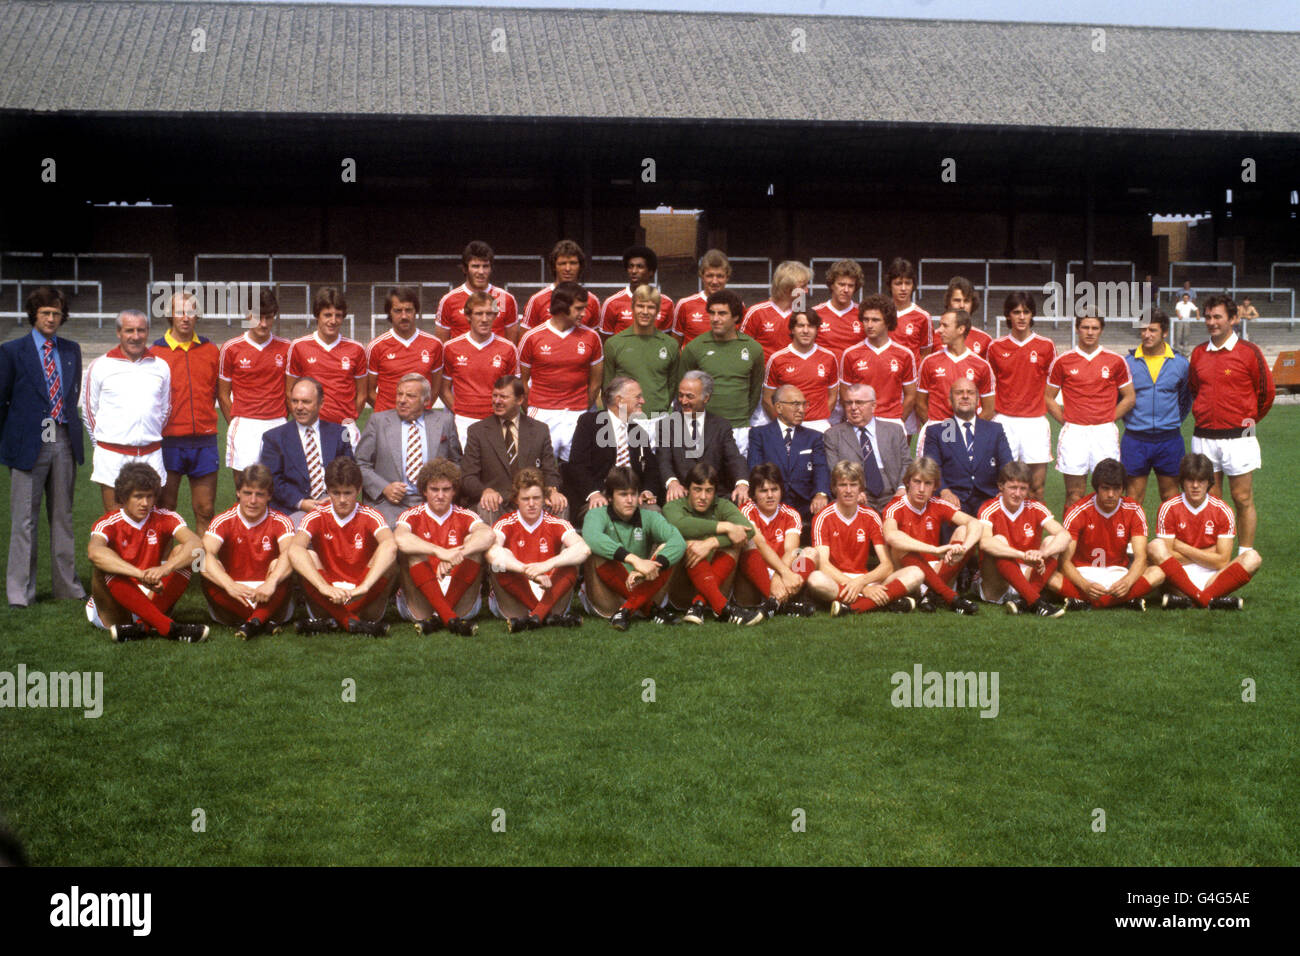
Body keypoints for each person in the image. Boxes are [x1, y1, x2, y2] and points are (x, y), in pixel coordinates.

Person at [1, 286, 86, 608]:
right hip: (27, 442)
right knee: (25, 519)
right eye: (45, 313)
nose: (52, 318)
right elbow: (2, 400)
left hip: (61, 437)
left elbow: (71, 395)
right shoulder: (12, 351)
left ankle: (67, 585)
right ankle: (20, 592)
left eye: (56, 313)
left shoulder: (70, 349)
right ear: (34, 316)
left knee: (63, 515)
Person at [85, 462, 208, 643]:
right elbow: (94, 552)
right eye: (138, 497)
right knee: (103, 565)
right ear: (124, 497)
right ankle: (168, 628)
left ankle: (142, 626)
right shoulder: (109, 522)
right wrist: (140, 575)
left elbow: (197, 545)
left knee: (185, 552)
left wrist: (165, 569)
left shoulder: (165, 517)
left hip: (153, 595)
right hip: (117, 606)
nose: (145, 503)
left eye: (150, 496)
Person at [1187, 294, 1273, 552]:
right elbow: (1195, 389)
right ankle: (1212, 554)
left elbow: (1266, 394)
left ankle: (1245, 553)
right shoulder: (1199, 353)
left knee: (1242, 497)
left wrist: (1244, 422)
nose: (1212, 322)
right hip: (1204, 436)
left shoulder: (1250, 352)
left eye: (1218, 317)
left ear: (1233, 319)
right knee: (1210, 500)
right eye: (1208, 317)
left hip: (1240, 437)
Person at [288, 456, 396, 636]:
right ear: (328, 491)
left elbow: (390, 544)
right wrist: (324, 587)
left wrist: (365, 586)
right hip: (328, 597)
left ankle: (335, 621)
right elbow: (294, 549)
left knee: (389, 555)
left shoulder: (370, 515)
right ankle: (350, 621)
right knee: (305, 554)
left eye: (348, 493)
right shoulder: (316, 515)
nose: (342, 499)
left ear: (359, 490)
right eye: (336, 493)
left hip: (363, 596)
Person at [81, 309, 171, 514]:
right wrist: (104, 447)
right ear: (118, 332)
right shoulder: (100, 366)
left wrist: (146, 436)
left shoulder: (161, 367)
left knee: (151, 522)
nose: (136, 336)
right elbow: (89, 412)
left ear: (148, 332)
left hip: (150, 455)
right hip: (112, 457)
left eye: (141, 330)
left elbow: (165, 410)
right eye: (129, 330)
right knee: (116, 522)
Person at [393, 458, 494, 636]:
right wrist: (441, 552)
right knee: (411, 550)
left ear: (454, 491)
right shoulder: (411, 515)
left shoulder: (466, 515)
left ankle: (440, 617)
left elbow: (488, 535)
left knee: (475, 544)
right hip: (421, 599)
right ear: (424, 490)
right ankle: (448, 618)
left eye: (446, 489)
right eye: (434, 489)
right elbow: (400, 539)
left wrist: (457, 556)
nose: (440, 495)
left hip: (461, 597)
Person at [1148, 452, 1262, 610]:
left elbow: (1222, 561)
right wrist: (1210, 554)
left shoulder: (1223, 510)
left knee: (1253, 558)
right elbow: (1166, 555)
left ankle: (1192, 599)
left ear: (1209, 482)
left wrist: (1180, 546)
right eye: (1190, 480)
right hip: (1178, 578)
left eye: (1201, 480)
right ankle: (1209, 599)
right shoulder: (1169, 508)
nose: (1195, 486)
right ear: (1182, 481)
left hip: (1213, 577)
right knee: (1155, 546)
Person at [149, 291, 222, 534]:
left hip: (204, 440)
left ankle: (203, 569)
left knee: (205, 509)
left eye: (190, 311)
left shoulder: (211, 350)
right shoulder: (155, 353)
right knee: (166, 508)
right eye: (179, 311)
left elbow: (216, 392)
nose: (185, 317)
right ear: (169, 315)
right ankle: (166, 569)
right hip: (168, 441)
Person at [1046, 313, 1135, 512]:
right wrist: (1067, 421)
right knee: (1074, 493)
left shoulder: (1115, 360)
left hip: (1104, 432)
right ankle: (1072, 542)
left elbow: (1129, 397)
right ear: (1077, 329)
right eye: (1085, 327)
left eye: (1094, 328)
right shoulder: (1063, 361)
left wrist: (1108, 417)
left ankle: (1106, 541)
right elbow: (1048, 397)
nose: (1090, 332)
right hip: (1075, 433)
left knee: (1107, 492)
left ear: (1101, 330)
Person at [1049, 458, 1162, 611]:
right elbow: (1064, 562)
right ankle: (1125, 600)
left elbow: (1141, 557)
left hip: (1118, 575)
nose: (1111, 494)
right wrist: (1085, 585)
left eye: (1116, 489)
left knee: (1158, 573)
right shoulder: (1078, 511)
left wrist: (1127, 582)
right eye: (1105, 488)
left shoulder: (1134, 510)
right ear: (1096, 487)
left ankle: (1082, 601)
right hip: (1083, 574)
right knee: (1049, 577)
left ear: (1123, 488)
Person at [580, 465, 686, 630]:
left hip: (644, 586)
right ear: (610, 497)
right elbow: (593, 537)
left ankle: (627, 610)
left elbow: (678, 541)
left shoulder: (649, 516)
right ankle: (649, 609)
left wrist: (645, 571)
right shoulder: (596, 514)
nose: (630, 500)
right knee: (594, 551)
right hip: (608, 599)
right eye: (623, 494)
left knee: (669, 548)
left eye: (633, 494)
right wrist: (635, 560)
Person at [199, 464, 296, 639]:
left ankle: (254, 621)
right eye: (247, 493)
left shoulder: (282, 521)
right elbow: (199, 558)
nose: (252, 500)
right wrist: (229, 584)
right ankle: (262, 619)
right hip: (234, 596)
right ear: (238, 492)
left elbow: (291, 555)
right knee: (207, 563)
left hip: (269, 594)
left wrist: (271, 582)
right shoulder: (223, 520)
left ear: (269, 496)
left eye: (259, 494)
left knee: (286, 560)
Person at [487, 467, 590, 632]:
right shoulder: (505, 522)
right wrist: (527, 571)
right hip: (516, 593)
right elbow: (491, 552)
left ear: (544, 499)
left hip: (549, 589)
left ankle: (537, 616)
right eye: (525, 499)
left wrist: (547, 565)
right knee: (498, 563)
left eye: (536, 498)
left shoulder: (555, 522)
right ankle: (547, 617)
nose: (531, 504)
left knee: (571, 560)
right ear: (516, 500)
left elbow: (583, 549)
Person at [661, 463, 765, 626]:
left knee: (739, 542)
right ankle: (723, 608)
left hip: (716, 582)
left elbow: (748, 531)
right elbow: (679, 524)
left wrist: (712, 542)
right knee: (687, 543)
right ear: (687, 489)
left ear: (715, 492)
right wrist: (724, 527)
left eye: (709, 491)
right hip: (681, 589)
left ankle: (699, 604)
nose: (703, 496)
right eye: (697, 489)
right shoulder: (673, 506)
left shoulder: (722, 505)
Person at [806, 460, 910, 615]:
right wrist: (865, 589)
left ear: (861, 487)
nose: (848, 490)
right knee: (815, 579)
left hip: (864, 578)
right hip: (836, 580)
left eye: (853, 485)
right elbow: (824, 565)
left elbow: (887, 565)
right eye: (842, 485)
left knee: (914, 572)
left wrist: (862, 583)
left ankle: (853, 606)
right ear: (834, 488)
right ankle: (881, 601)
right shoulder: (823, 517)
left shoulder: (871, 515)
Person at [356, 373, 461, 525]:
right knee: (393, 534)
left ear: (426, 401)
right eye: (399, 394)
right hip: (389, 504)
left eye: (410, 396)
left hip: (434, 502)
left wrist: (442, 491)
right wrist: (384, 487)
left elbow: (456, 462)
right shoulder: (378, 422)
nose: (402, 400)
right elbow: (360, 463)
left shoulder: (444, 421)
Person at [882, 457, 984, 614]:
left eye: (927, 483)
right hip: (909, 573)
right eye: (917, 482)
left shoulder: (937, 504)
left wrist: (964, 549)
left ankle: (930, 594)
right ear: (908, 482)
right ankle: (945, 595)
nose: (921, 489)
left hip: (937, 570)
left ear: (935, 486)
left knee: (964, 531)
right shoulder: (895, 506)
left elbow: (975, 523)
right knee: (899, 544)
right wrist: (934, 550)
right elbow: (890, 536)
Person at [461, 376, 566, 525]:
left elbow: (550, 470)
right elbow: (468, 476)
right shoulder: (477, 431)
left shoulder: (539, 430)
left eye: (503, 397)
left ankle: (555, 548)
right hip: (496, 502)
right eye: (495, 396)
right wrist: (485, 491)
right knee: (487, 507)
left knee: (559, 504)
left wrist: (553, 490)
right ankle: (494, 549)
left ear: (520, 400)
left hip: (531, 500)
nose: (497, 401)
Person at [517, 280, 603, 462]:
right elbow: (521, 382)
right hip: (541, 413)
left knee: (577, 470)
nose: (584, 313)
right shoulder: (531, 337)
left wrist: (581, 408)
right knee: (536, 473)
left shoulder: (592, 337)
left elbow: (596, 383)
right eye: (579, 308)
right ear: (563, 307)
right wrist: (533, 410)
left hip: (577, 414)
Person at [975, 461, 1070, 617]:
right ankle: (1036, 601)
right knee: (998, 541)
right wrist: (1022, 555)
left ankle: (1025, 600)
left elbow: (1064, 535)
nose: (1018, 494)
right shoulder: (989, 508)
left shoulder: (1035, 507)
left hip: (1026, 576)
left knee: (1052, 541)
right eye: (1013, 487)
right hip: (997, 583)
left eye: (1023, 489)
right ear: (1001, 486)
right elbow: (985, 543)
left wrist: (1043, 554)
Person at [987, 291, 1056, 502]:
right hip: (1004, 421)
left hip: (1034, 423)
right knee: (1002, 487)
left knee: (1036, 489)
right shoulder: (995, 347)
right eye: (1016, 312)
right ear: (1008, 315)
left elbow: (1052, 385)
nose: (1021, 317)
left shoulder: (1046, 346)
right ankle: (1001, 534)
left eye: (1026, 312)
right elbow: (989, 386)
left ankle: (1032, 535)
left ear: (1032, 314)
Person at [218, 286, 290, 487]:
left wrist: (284, 420)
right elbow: (223, 395)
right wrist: (235, 422)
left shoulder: (286, 347)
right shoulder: (231, 348)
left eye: (268, 317)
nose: (263, 323)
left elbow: (289, 391)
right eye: (258, 317)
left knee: (278, 487)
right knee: (245, 489)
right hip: (245, 425)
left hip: (277, 423)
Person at [258, 377, 355, 525]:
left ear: (321, 403)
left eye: (306, 402)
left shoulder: (339, 434)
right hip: (293, 509)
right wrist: (301, 503)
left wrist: (334, 498)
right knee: (299, 537)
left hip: (335, 505)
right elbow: (272, 481)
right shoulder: (274, 438)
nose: (299, 407)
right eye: (295, 401)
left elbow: (350, 473)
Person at [679, 289, 765, 454]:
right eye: (712, 313)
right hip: (703, 428)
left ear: (736, 317)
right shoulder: (694, 348)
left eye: (722, 313)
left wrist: (741, 415)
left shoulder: (753, 349)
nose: (715, 319)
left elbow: (755, 390)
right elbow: (682, 389)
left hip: (739, 428)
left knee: (739, 477)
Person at [1122, 309, 1191, 504]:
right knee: (1133, 499)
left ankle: (1168, 536)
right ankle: (1135, 536)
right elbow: (1120, 399)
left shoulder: (1180, 364)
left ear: (1165, 332)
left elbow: (1185, 400)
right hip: (1135, 439)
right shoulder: (1127, 363)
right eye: (1143, 329)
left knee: (1171, 498)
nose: (1147, 334)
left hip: (1169, 439)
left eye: (1152, 330)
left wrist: (1170, 420)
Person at [568, 377, 659, 523]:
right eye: (638, 397)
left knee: (654, 514)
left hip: (633, 497)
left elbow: (652, 470)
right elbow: (577, 465)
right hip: (602, 496)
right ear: (620, 400)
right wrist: (593, 493)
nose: (643, 401)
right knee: (599, 517)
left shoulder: (639, 432)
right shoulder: (590, 423)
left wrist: (647, 490)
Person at [439, 290, 520, 449]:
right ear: (468, 316)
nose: (484, 319)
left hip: (497, 420)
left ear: (495, 316)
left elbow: (514, 390)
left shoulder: (508, 348)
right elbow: (443, 389)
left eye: (489, 313)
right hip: (463, 422)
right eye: (479, 313)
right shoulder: (451, 347)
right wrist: (460, 411)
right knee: (464, 470)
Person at [655, 370, 749, 505]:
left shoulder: (721, 426)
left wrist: (742, 484)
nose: (683, 401)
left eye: (690, 396)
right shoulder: (666, 425)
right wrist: (672, 483)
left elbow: (734, 458)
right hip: (681, 498)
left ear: (706, 398)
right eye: (680, 395)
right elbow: (663, 460)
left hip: (716, 499)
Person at [736, 463, 817, 616]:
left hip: (784, 572)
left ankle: (774, 603)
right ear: (754, 493)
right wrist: (780, 576)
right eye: (763, 491)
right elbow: (760, 545)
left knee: (810, 553)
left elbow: (791, 550)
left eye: (774, 489)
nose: (770, 495)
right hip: (757, 571)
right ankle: (783, 605)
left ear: (781, 490)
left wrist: (780, 576)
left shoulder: (791, 514)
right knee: (750, 544)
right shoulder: (746, 510)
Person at [923, 379, 1014, 517]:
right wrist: (944, 491)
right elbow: (932, 467)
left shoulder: (994, 429)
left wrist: (1005, 489)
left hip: (989, 498)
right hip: (954, 499)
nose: (965, 396)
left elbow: (1007, 465)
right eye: (959, 393)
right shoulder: (939, 431)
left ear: (978, 400)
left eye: (970, 393)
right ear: (949, 400)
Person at [286, 287, 367, 438]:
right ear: (317, 315)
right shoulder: (299, 346)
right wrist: (303, 419)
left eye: (338, 315)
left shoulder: (356, 349)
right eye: (327, 315)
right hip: (310, 427)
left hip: (344, 427)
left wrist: (351, 418)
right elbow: (289, 391)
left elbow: (362, 394)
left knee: (346, 462)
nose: (333, 321)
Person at [747, 385, 830, 527]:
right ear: (778, 407)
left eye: (804, 404)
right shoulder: (759, 434)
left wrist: (821, 493)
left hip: (806, 504)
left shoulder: (814, 437)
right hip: (772, 502)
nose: (802, 410)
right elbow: (755, 469)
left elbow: (820, 468)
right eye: (796, 404)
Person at [602, 284, 681, 433]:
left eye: (651, 307)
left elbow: (672, 385)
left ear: (658, 310)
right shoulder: (614, 343)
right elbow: (608, 386)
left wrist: (659, 408)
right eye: (640, 306)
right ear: (632, 307)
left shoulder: (670, 345)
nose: (645, 312)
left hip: (659, 419)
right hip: (625, 421)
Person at [915, 308, 995, 450]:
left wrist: (968, 431)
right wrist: (935, 428)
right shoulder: (929, 362)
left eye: (945, 325)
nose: (939, 330)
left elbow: (988, 410)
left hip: (967, 434)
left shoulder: (981, 365)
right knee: (931, 472)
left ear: (960, 329)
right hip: (936, 431)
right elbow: (920, 403)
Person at [822, 384, 909, 512]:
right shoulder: (833, 435)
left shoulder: (894, 431)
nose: (853, 408)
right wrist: (852, 492)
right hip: (856, 496)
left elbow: (907, 462)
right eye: (848, 403)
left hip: (893, 493)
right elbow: (834, 470)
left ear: (873, 406)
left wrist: (902, 488)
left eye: (859, 403)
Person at [839, 293, 918, 430]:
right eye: (866, 320)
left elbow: (911, 394)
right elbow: (845, 392)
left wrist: (899, 420)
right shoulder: (850, 354)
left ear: (887, 321)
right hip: (860, 423)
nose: (869, 325)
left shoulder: (904, 354)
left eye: (875, 320)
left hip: (892, 421)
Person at [366, 286, 443, 414]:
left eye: (408, 310)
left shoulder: (434, 344)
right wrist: (391, 414)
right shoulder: (376, 346)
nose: (404, 316)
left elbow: (435, 388)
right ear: (389, 312)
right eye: (397, 311)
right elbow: (369, 391)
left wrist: (420, 411)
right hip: (387, 421)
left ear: (415, 311)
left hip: (420, 420)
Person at [761, 310, 839, 432]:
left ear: (817, 330)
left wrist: (820, 416)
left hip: (819, 424)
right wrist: (782, 423)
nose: (806, 331)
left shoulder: (829, 357)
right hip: (788, 425)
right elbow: (767, 399)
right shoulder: (777, 359)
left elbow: (833, 395)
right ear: (792, 329)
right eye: (801, 326)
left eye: (811, 326)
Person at [435, 240, 520, 343]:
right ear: (465, 269)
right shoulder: (449, 300)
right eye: (475, 266)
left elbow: (512, 346)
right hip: (462, 358)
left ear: (491, 268)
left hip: (495, 358)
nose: (481, 272)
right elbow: (442, 346)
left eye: (485, 266)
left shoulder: (503, 298)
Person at [742, 260, 812, 366]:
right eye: (802, 287)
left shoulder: (803, 315)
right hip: (762, 377)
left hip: (793, 375)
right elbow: (741, 348)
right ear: (787, 288)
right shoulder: (756, 312)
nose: (806, 291)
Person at [521, 239, 601, 330]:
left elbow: (595, 340)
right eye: (562, 263)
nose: (568, 268)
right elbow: (526, 338)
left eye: (573, 263)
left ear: (580, 266)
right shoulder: (537, 300)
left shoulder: (592, 301)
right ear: (554, 266)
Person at [600, 245, 673, 336]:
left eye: (640, 266)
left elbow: (666, 340)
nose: (634, 271)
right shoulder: (612, 303)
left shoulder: (666, 303)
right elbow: (606, 343)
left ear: (651, 272)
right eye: (631, 266)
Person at [673, 249, 731, 347]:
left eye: (720, 276)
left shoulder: (737, 306)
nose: (715, 281)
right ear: (702, 276)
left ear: (727, 277)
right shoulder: (685, 305)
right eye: (710, 276)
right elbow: (675, 347)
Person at [813, 259, 867, 361]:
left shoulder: (864, 314)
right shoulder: (815, 313)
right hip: (824, 373)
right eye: (841, 284)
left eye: (850, 286)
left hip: (854, 374)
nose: (846, 290)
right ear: (832, 285)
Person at [931, 277, 993, 358]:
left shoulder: (985, 340)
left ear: (972, 304)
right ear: (948, 302)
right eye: (957, 300)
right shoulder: (933, 337)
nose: (962, 306)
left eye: (966, 301)